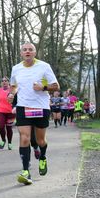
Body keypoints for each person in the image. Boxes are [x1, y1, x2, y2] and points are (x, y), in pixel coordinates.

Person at [9, 42, 59, 185]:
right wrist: (12, 94)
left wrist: (43, 87)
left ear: (35, 53)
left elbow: (56, 86)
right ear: (21, 53)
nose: (27, 52)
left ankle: (42, 157)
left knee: (40, 140)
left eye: (30, 49)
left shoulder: (44, 66)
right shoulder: (16, 68)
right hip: (23, 107)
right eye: (25, 50)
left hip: (41, 107)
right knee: (24, 138)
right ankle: (26, 171)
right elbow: (13, 85)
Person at [0, 77, 15, 149]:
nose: (4, 82)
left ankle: (10, 143)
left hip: (10, 112)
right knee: (1, 126)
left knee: (9, 128)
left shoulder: (12, 90)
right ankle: (3, 140)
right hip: (0, 111)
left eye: (6, 81)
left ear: (8, 82)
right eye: (3, 81)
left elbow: (16, 100)